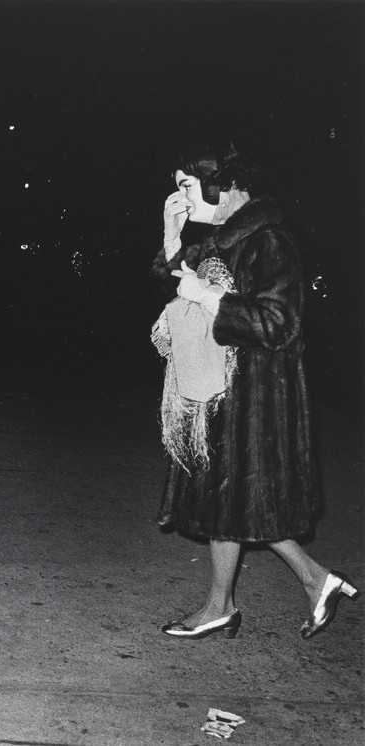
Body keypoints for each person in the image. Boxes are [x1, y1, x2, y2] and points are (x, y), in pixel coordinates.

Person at [151, 139, 358, 640]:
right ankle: (244, 598)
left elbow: (278, 323)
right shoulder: (222, 238)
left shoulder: (268, 241)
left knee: (244, 498)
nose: (181, 196)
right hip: (225, 392)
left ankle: (304, 582)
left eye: (187, 186)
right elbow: (175, 279)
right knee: (234, 499)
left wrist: (210, 298)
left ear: (220, 185)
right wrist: (172, 231)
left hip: (260, 396)